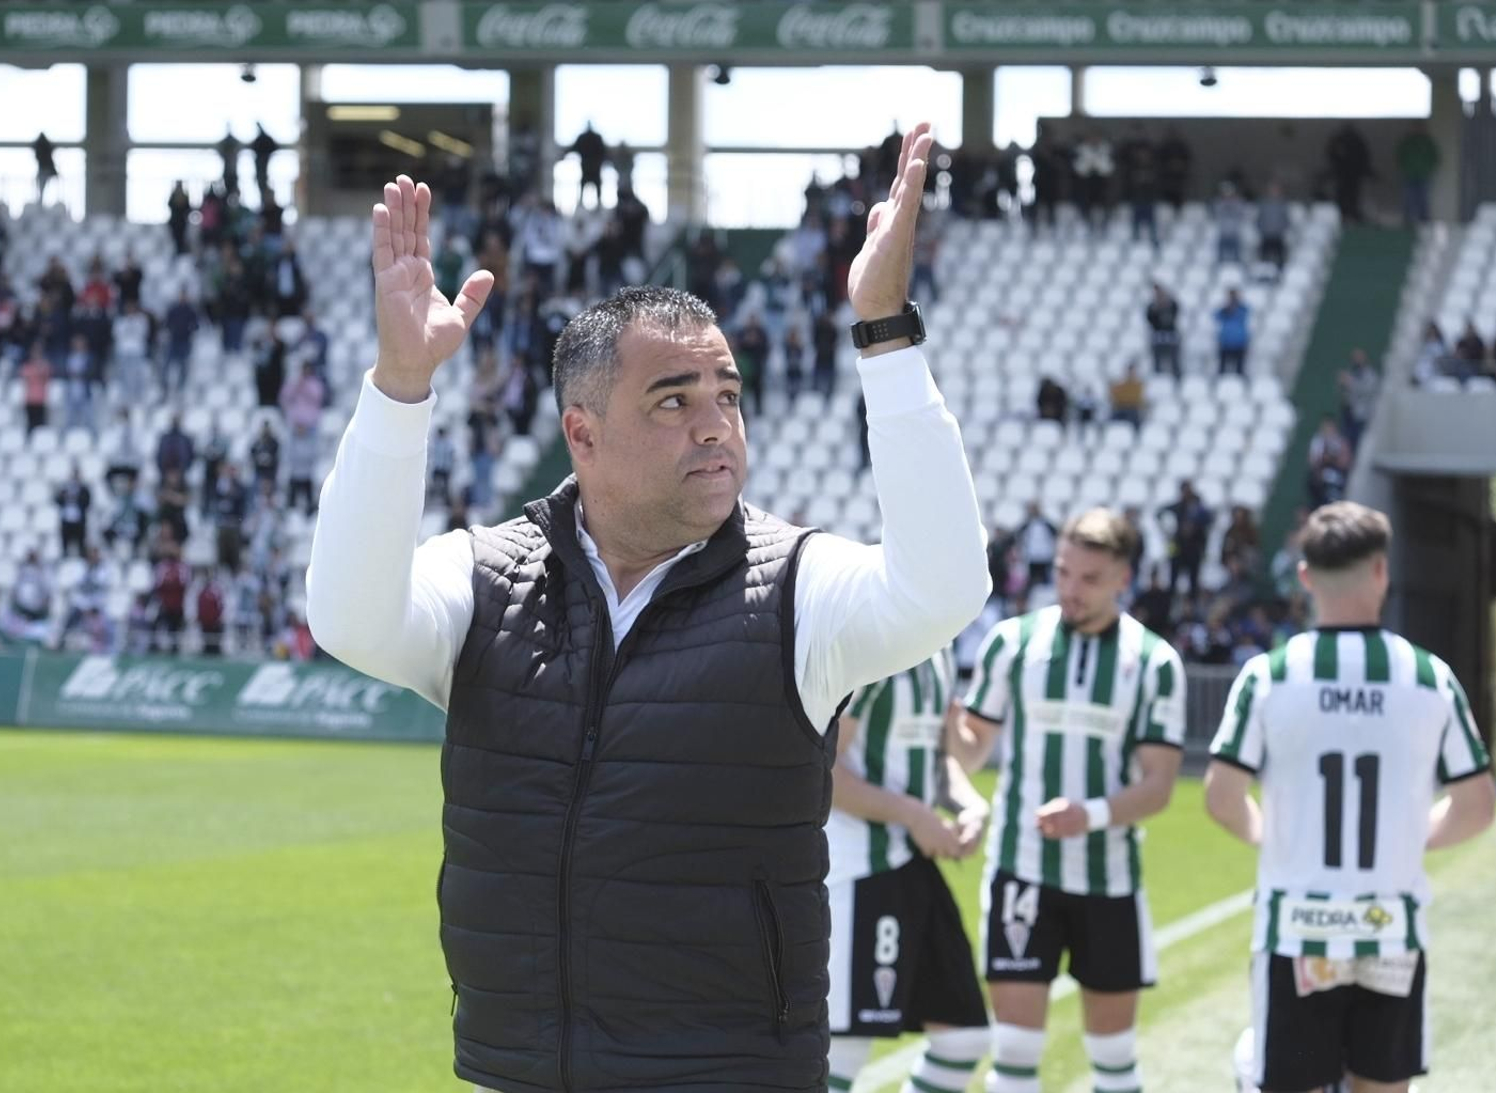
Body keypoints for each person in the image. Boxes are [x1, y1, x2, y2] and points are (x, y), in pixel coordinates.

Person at [305, 128, 990, 1092]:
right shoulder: (489, 576)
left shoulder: (795, 586)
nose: (716, 425)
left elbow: (944, 587)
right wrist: (400, 389)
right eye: (673, 401)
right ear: (582, 434)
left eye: (728, 395)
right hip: (519, 1071)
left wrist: (884, 331)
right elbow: (348, 617)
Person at [1205, 501, 1496, 1093]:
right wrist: (1410, 838)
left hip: (1298, 929)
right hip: (1390, 928)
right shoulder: (1429, 677)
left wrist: (1270, 835)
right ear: (1381, 571)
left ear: (1305, 576)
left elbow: (1222, 798)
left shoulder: (1268, 676)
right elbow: (1477, 807)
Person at [955, 509, 1187, 1093]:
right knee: (1014, 1054)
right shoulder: (1013, 643)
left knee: (1113, 1058)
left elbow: (1159, 784)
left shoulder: (1154, 662)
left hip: (1109, 879)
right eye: (1063, 572)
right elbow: (972, 748)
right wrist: (942, 715)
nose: (1070, 589)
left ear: (1123, 579)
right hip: (1023, 871)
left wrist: (1092, 816)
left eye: (1089, 578)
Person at [824, 652, 992, 1093]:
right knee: (842, 1048)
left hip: (911, 861)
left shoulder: (939, 649)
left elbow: (937, 758)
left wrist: (971, 805)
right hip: (860, 866)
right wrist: (913, 814)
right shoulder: (872, 648)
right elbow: (823, 769)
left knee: (963, 1039)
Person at [1395, 124, 1440, 227]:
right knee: (1408, 199)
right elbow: (1399, 156)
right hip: (1409, 175)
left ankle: (1424, 223)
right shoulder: (1408, 142)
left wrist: (1427, 169)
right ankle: (1407, 223)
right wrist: (1405, 168)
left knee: (1423, 199)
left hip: (1423, 175)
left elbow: (1435, 158)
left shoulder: (1427, 142)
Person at [1145, 284, 1180, 379]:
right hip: (1158, 335)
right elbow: (1150, 319)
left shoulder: (1171, 304)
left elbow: (1175, 315)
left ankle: (1177, 376)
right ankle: (1158, 378)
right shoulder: (1152, 307)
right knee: (1157, 359)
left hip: (1170, 335)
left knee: (1174, 358)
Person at [1215, 288, 1251, 376]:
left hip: (1239, 342)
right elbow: (1216, 317)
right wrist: (1226, 309)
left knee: (1240, 369)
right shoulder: (1224, 310)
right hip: (1226, 342)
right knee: (1222, 369)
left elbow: (1246, 314)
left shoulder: (1242, 309)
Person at [33, 132, 57, 204]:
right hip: (46, 170)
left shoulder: (40, 147)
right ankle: (41, 201)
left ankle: (41, 201)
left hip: (43, 170)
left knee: (41, 186)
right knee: (42, 186)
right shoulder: (47, 147)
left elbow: (37, 156)